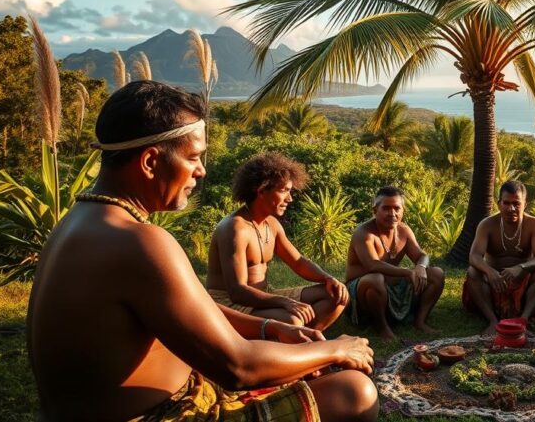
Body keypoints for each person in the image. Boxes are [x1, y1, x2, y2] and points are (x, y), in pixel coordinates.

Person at [26, 81, 378, 422]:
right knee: (354, 392)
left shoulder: (79, 222)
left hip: (146, 400)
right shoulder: (138, 241)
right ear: (150, 162)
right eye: (193, 157)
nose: (201, 170)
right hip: (164, 414)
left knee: (297, 364)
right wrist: (336, 348)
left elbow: (191, 308)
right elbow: (238, 367)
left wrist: (269, 328)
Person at [206, 152, 348, 331]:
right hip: (229, 305)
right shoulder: (235, 229)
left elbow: (298, 262)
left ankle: (306, 339)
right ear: (261, 190)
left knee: (336, 296)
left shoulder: (272, 224)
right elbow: (237, 292)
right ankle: (298, 338)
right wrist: (284, 302)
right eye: (284, 191)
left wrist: (327, 278)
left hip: (265, 295)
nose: (290, 199)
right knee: (292, 321)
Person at [344, 186, 445, 341]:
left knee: (437, 274)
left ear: (402, 211)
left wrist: (421, 267)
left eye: (397, 208)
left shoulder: (404, 230)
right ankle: (382, 328)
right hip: (362, 290)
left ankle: (420, 321)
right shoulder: (364, 233)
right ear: (375, 210)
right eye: (386, 208)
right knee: (375, 279)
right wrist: (407, 272)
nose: (392, 213)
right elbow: (373, 265)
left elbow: (422, 255)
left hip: (390, 283)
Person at [463, 180, 535, 336]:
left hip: (522, 279)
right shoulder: (487, 224)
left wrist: (521, 268)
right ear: (499, 204)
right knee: (472, 272)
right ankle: (492, 320)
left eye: (516, 203)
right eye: (506, 203)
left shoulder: (533, 224)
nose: (511, 208)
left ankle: (523, 320)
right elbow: (474, 256)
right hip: (494, 282)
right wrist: (490, 272)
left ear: (525, 204)